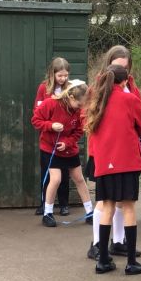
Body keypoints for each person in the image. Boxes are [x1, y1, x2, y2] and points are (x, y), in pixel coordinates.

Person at [84, 65, 141, 275]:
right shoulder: (129, 99)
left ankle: (103, 260)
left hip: (104, 163)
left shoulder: (96, 102)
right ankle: (131, 262)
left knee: (107, 207)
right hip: (126, 161)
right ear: (124, 81)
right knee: (128, 208)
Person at [32, 81, 93, 228]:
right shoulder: (50, 104)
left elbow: (79, 130)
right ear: (71, 97)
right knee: (56, 179)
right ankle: (47, 213)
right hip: (50, 149)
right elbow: (35, 120)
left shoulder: (79, 110)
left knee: (79, 179)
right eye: (79, 104)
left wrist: (67, 142)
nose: (80, 108)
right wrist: (51, 125)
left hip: (69, 149)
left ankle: (90, 212)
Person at [33, 57, 71, 216]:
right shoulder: (43, 88)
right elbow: (37, 114)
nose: (63, 79)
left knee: (64, 174)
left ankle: (64, 204)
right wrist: (50, 125)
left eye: (65, 75)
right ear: (52, 74)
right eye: (60, 75)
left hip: (65, 139)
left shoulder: (71, 88)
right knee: (47, 174)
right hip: (48, 140)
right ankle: (44, 204)